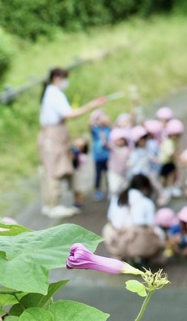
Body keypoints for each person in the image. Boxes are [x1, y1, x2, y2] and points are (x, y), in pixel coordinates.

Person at [38, 67, 105, 218]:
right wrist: (91, 105)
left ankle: (50, 204)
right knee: (54, 169)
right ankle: (53, 205)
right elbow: (69, 114)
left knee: (52, 167)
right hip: (53, 136)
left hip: (52, 134)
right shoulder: (54, 94)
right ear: (56, 78)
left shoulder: (50, 92)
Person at [102, 174, 166, 266]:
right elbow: (151, 225)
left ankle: (118, 257)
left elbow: (110, 218)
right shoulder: (147, 202)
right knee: (159, 231)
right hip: (139, 244)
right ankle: (153, 256)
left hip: (118, 241)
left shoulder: (117, 198)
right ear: (144, 188)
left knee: (108, 228)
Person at [89, 109, 111, 200]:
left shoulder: (108, 129)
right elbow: (90, 124)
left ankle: (110, 190)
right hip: (98, 157)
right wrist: (96, 116)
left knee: (109, 175)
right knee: (98, 175)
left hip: (108, 156)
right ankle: (98, 190)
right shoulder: (95, 129)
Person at [158, 118, 183, 197]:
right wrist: (180, 158)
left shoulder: (174, 141)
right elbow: (171, 153)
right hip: (165, 162)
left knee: (175, 174)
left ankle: (172, 187)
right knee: (165, 177)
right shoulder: (168, 142)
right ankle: (164, 189)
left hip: (170, 161)